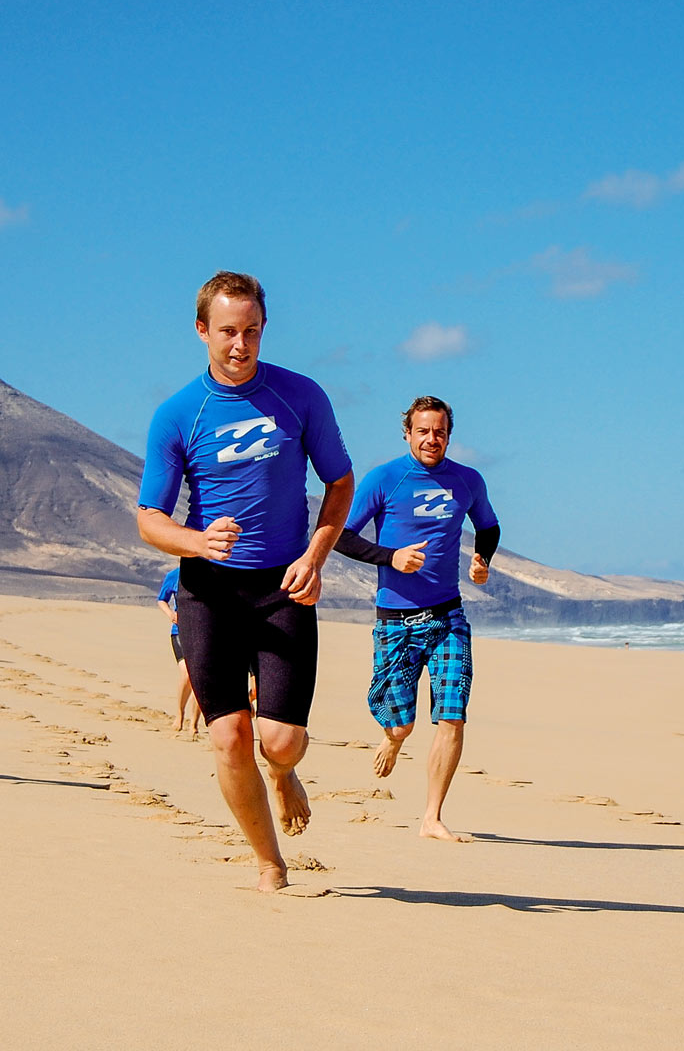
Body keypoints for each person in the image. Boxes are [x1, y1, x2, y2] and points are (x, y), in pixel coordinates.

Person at [137, 271, 354, 892]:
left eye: (252, 331)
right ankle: (269, 863)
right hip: (208, 591)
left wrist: (315, 556)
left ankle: (283, 774)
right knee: (229, 736)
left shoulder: (300, 395)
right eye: (228, 332)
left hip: (284, 586)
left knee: (279, 742)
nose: (241, 345)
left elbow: (340, 484)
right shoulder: (177, 414)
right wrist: (197, 542)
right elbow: (149, 519)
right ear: (202, 330)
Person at [335, 395, 500, 841]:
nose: (432, 439)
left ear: (449, 436)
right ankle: (394, 737)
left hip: (448, 616)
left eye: (440, 432)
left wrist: (482, 559)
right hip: (396, 620)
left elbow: (488, 527)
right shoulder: (384, 479)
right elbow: (341, 537)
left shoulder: (467, 480)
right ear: (407, 433)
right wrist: (391, 556)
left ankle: (432, 817)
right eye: (423, 431)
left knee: (452, 715)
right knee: (400, 722)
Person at [156, 567, 201, 734]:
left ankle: (194, 723)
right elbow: (161, 600)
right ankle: (180, 714)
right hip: (180, 631)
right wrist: (170, 614)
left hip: (203, 633)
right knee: (187, 674)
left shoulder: (211, 572)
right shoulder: (174, 575)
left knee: (199, 678)